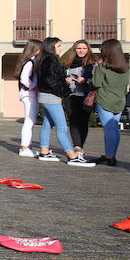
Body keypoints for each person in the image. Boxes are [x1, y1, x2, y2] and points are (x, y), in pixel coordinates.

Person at [35, 38, 94, 167]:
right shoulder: (51, 60)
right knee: (62, 127)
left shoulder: (42, 59)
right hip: (51, 97)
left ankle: (44, 152)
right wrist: (64, 90)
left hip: (45, 95)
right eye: (59, 46)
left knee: (47, 124)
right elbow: (51, 80)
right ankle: (72, 156)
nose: (61, 48)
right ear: (52, 47)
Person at [91, 39, 130, 166]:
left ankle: (109, 156)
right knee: (114, 128)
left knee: (108, 128)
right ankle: (112, 155)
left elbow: (96, 83)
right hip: (119, 99)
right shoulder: (125, 67)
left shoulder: (102, 67)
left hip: (105, 99)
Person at [62, 40, 95, 155]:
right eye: (78, 48)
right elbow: (61, 76)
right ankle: (77, 147)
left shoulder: (92, 63)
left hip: (86, 96)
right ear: (74, 49)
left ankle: (80, 146)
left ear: (88, 49)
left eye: (84, 48)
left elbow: (96, 81)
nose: (81, 50)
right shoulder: (67, 62)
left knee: (84, 123)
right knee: (74, 121)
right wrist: (66, 80)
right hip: (71, 96)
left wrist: (86, 81)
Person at [14, 39, 42, 157]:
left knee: (30, 121)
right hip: (29, 95)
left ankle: (27, 146)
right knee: (29, 121)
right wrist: (33, 86)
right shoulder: (30, 63)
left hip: (28, 94)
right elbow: (24, 79)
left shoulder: (29, 62)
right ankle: (25, 147)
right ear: (35, 50)